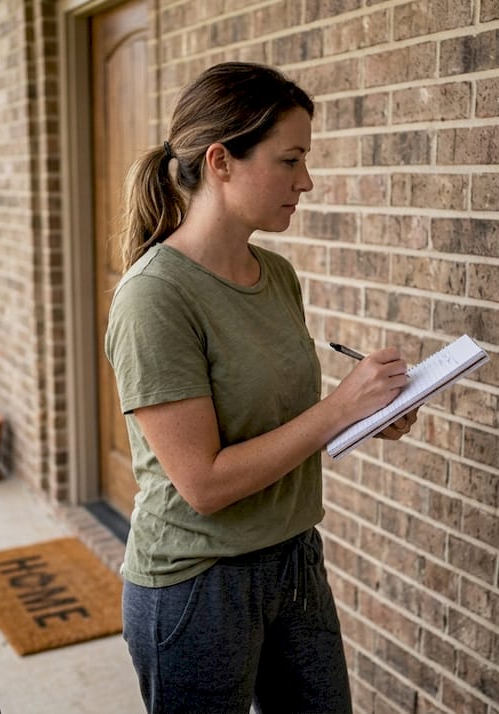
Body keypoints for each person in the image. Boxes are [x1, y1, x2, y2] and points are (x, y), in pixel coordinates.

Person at [104, 62, 419, 714]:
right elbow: (206, 483)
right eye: (290, 160)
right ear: (221, 162)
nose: (306, 181)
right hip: (198, 585)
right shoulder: (154, 297)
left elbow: (283, 421)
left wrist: (367, 414)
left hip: (296, 560)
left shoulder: (276, 275)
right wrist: (336, 410)